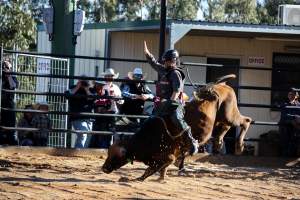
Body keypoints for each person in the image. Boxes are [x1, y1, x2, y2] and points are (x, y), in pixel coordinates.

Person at [143, 41, 199, 155]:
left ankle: (192, 141)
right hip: (163, 104)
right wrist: (147, 54)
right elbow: (154, 64)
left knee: (176, 118)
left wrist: (168, 103)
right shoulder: (165, 70)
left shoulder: (175, 73)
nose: (164, 63)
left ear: (173, 61)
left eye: (167, 61)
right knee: (152, 120)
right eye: (165, 61)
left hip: (174, 104)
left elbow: (176, 91)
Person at [65, 78, 95, 148]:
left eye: (84, 82)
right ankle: (77, 153)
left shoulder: (90, 90)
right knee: (83, 134)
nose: (83, 84)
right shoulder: (73, 88)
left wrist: (86, 88)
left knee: (88, 136)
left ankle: (82, 153)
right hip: (77, 117)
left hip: (89, 118)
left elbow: (92, 98)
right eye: (81, 82)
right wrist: (77, 86)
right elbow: (67, 95)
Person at [101, 68, 124, 145]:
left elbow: (121, 100)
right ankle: (105, 148)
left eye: (111, 76)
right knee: (105, 132)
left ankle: (112, 147)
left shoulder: (116, 88)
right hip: (104, 112)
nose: (109, 78)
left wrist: (116, 98)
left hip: (113, 111)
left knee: (114, 131)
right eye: (108, 76)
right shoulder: (102, 87)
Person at [0, 60, 19, 145]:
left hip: (8, 105)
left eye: (10, 68)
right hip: (1, 105)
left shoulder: (12, 77)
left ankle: (12, 144)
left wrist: (8, 76)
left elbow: (13, 85)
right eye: (6, 67)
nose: (8, 69)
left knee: (10, 129)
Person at [90, 80, 112, 148]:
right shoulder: (92, 91)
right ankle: (93, 147)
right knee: (94, 133)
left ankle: (102, 147)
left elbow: (109, 104)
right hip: (94, 116)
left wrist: (104, 108)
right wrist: (97, 108)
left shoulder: (106, 92)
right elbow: (90, 103)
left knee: (103, 131)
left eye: (102, 84)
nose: (100, 86)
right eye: (99, 84)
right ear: (95, 84)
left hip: (103, 116)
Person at [279, 88, 300, 157]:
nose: (292, 95)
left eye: (294, 94)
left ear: (297, 96)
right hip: (286, 126)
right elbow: (284, 115)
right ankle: (284, 157)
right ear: (288, 95)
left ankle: (291, 156)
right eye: (290, 94)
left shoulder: (298, 105)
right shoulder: (284, 103)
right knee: (285, 142)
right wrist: (294, 117)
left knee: (294, 142)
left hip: (295, 127)